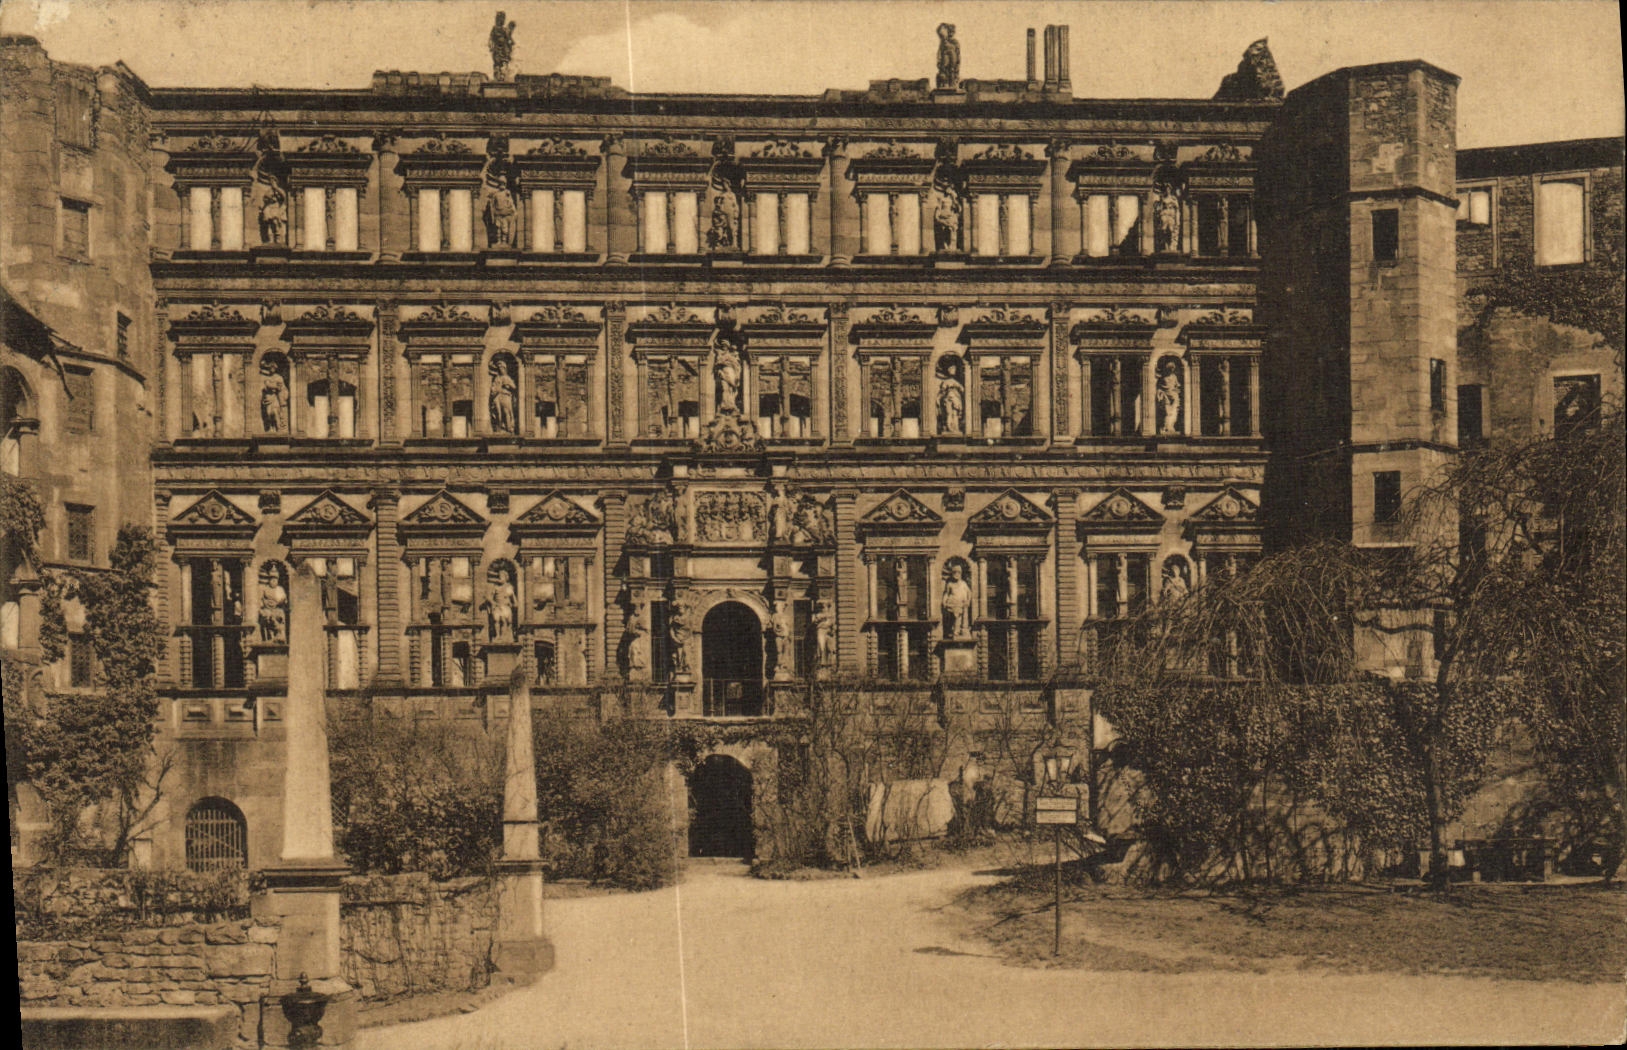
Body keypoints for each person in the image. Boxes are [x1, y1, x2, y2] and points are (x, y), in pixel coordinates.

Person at [942, 561, 973, 639]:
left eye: (958, 572)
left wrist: (968, 601)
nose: (956, 574)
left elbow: (969, 593)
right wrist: (944, 601)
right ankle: (952, 632)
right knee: (951, 620)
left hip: (960, 605)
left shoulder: (963, 583)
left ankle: (956, 633)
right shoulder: (950, 584)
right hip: (951, 604)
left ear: (961, 574)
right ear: (952, 573)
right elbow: (946, 593)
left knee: (957, 618)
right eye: (955, 572)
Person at [489, 360, 517, 433]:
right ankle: (499, 428)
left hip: (506, 396)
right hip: (498, 396)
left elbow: (514, 387)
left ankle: (508, 427)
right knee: (498, 412)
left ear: (505, 368)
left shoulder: (507, 378)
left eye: (502, 368)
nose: (500, 369)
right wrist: (496, 390)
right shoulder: (497, 378)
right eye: (499, 368)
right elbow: (493, 388)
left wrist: (508, 386)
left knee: (506, 411)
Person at [489, 11, 516, 81]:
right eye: (499, 19)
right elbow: (491, 38)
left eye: (502, 19)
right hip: (497, 50)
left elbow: (509, 39)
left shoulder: (504, 30)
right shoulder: (494, 29)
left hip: (504, 50)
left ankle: (502, 76)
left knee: (504, 63)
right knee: (497, 64)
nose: (501, 21)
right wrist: (491, 45)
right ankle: (498, 76)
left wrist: (510, 42)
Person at [936, 23, 961, 90]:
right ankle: (945, 84)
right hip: (945, 62)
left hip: (953, 62)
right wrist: (939, 60)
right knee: (944, 72)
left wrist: (958, 63)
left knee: (952, 72)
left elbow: (958, 53)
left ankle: (952, 84)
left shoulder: (955, 42)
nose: (951, 34)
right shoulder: (943, 42)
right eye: (950, 32)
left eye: (952, 32)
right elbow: (940, 52)